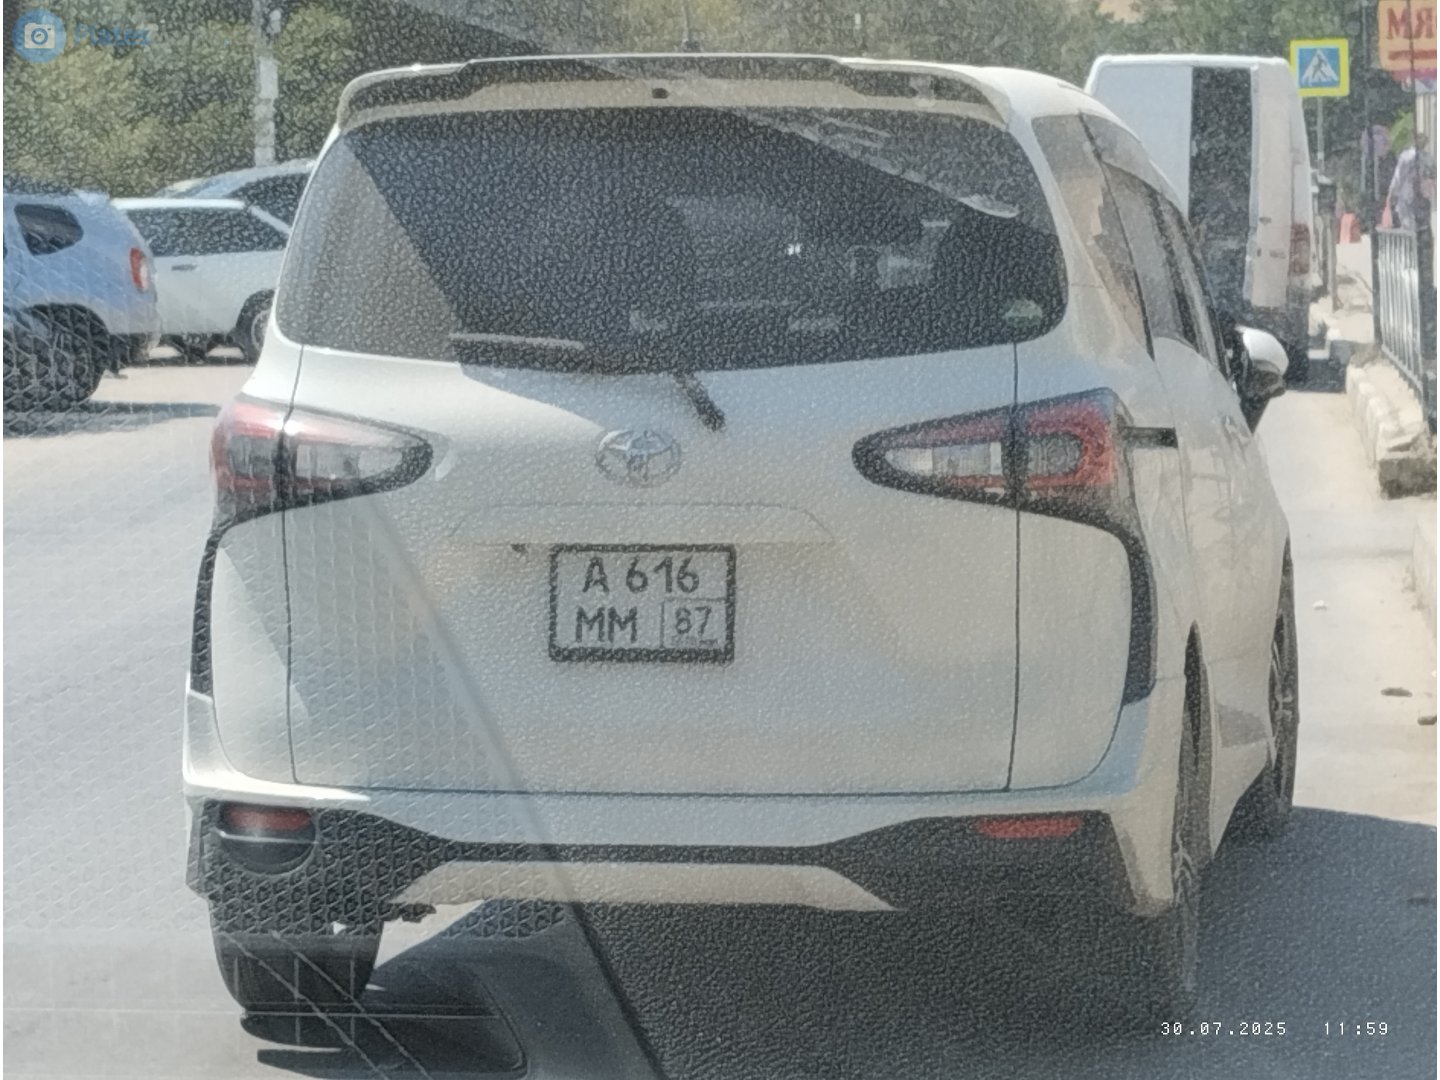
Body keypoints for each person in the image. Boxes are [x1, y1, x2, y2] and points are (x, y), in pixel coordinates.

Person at [1387, 132, 1431, 230]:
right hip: (1423, 193)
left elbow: (1398, 176)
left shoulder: (1406, 156)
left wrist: (1392, 192)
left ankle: (1412, 240)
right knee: (1422, 222)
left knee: (1407, 220)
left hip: (1407, 192)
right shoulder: (1427, 158)